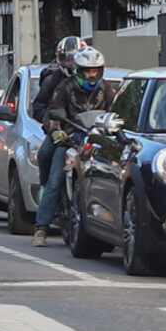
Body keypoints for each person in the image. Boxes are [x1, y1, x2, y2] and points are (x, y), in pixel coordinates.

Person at [31, 42, 106, 245]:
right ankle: (41, 228)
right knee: (54, 177)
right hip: (68, 140)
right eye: (87, 71)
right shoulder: (62, 87)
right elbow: (52, 112)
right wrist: (56, 132)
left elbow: (114, 114)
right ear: (77, 71)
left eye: (95, 71)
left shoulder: (107, 90)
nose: (91, 75)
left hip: (95, 141)